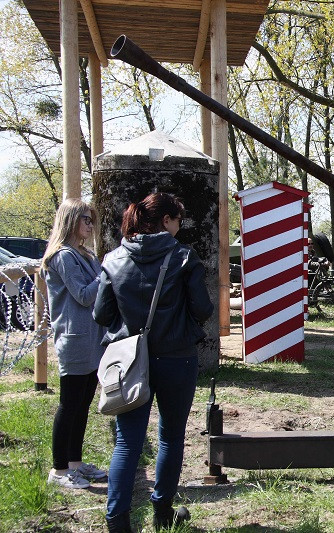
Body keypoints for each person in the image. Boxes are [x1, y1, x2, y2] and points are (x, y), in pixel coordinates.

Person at [94, 192, 213, 533]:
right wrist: (186, 330)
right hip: (177, 359)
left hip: (130, 362)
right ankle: (162, 512)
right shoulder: (183, 257)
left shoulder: (113, 259)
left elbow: (102, 313)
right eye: (178, 219)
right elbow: (203, 308)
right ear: (166, 220)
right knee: (171, 437)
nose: (180, 226)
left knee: (127, 441)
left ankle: (116, 521)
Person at [42, 199, 107, 490]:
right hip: (75, 339)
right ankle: (58, 470)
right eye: (86, 219)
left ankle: (75, 463)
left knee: (83, 404)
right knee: (69, 405)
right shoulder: (63, 256)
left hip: (93, 339)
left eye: (92, 220)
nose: (90, 225)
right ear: (70, 220)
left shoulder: (88, 255)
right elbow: (82, 294)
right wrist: (107, 274)